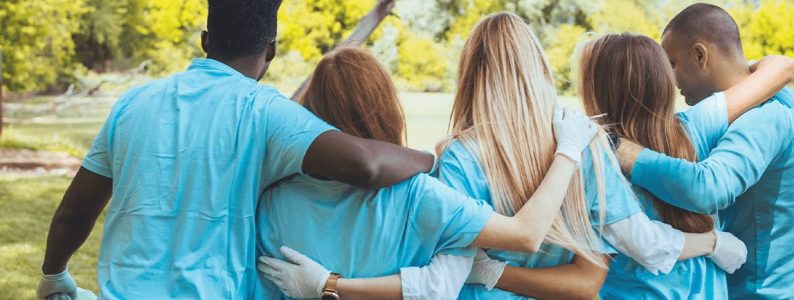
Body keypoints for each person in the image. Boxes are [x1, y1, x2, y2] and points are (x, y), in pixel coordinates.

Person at [261, 12, 747, 300]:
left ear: (470, 74)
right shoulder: (582, 142)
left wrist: (332, 286)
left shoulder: (457, 159)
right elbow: (643, 244)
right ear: (536, 67)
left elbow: (443, 280)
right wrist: (712, 244)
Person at [34, 0, 439, 298]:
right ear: (271, 51)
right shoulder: (267, 113)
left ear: (205, 41)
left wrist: (54, 276)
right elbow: (366, 164)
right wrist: (431, 158)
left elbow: (73, 212)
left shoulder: (132, 103)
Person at [254, 46, 598, 300]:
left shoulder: (271, 205)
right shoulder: (422, 196)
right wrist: (567, 150)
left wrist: (327, 286)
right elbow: (524, 235)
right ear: (388, 107)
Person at [615, 4, 794, 299]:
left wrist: (630, 155)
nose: (670, 80)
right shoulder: (790, 101)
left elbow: (709, 188)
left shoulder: (763, 118)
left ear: (700, 55)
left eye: (673, 64)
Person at [577, 33, 794, 299]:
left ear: (596, 89)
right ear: (661, 81)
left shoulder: (591, 157)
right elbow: (784, 68)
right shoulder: (696, 126)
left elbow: (640, 241)